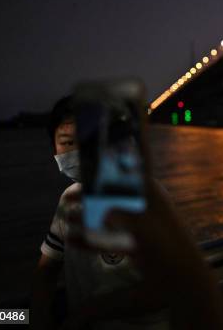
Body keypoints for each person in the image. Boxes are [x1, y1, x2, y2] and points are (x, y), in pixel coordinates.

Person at [30, 96, 169, 329]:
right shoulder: (69, 199)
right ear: (53, 148)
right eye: (67, 142)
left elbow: (169, 283)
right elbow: (47, 269)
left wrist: (87, 313)